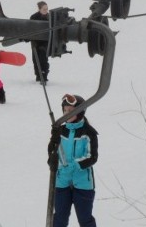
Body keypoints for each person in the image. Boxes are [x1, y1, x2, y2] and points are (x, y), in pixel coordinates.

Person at [48, 94, 99, 227]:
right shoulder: (60, 131)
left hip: (82, 182)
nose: (67, 113)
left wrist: (75, 165)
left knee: (85, 219)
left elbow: (92, 156)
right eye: (65, 110)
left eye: (71, 111)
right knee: (59, 218)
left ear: (80, 112)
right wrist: (52, 155)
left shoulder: (88, 132)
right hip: (62, 181)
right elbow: (52, 153)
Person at [30, 1, 50, 82]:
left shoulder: (49, 17)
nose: (46, 11)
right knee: (35, 59)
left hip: (45, 42)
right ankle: (38, 75)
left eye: (47, 9)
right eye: (44, 9)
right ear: (39, 9)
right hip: (36, 42)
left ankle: (44, 75)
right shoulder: (34, 17)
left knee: (43, 59)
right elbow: (30, 28)